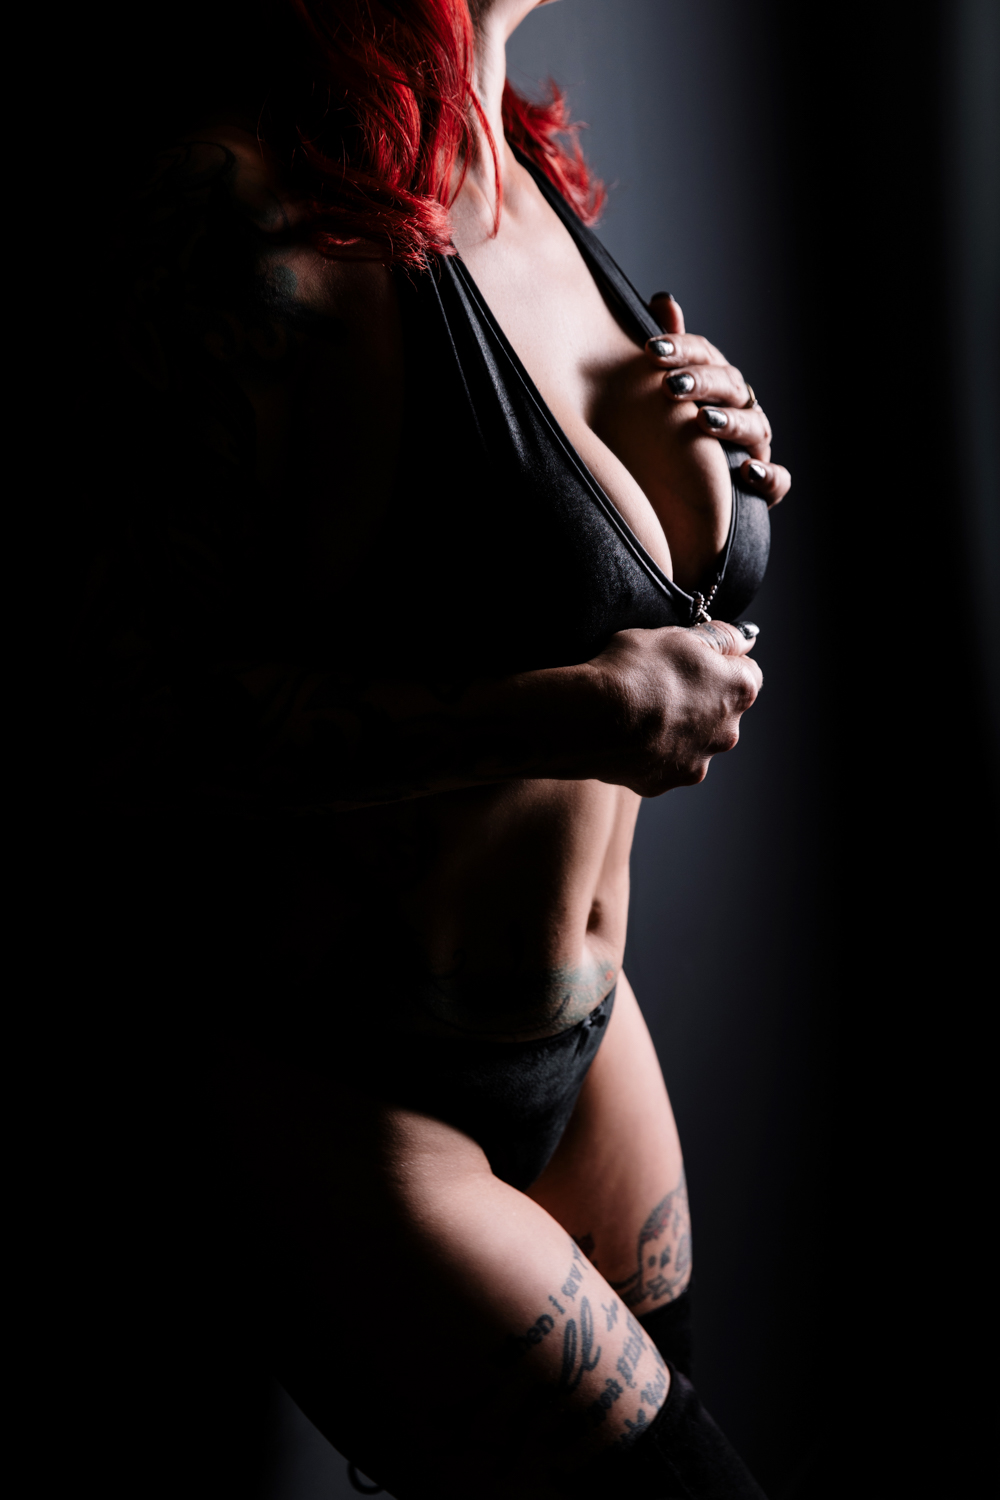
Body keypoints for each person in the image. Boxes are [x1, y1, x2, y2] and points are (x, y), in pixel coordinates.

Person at [87, 0, 792, 1493]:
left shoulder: (517, 167)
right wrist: (563, 712)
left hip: (589, 1039)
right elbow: (127, 723)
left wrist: (714, 475)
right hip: (351, 1085)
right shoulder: (240, 208)